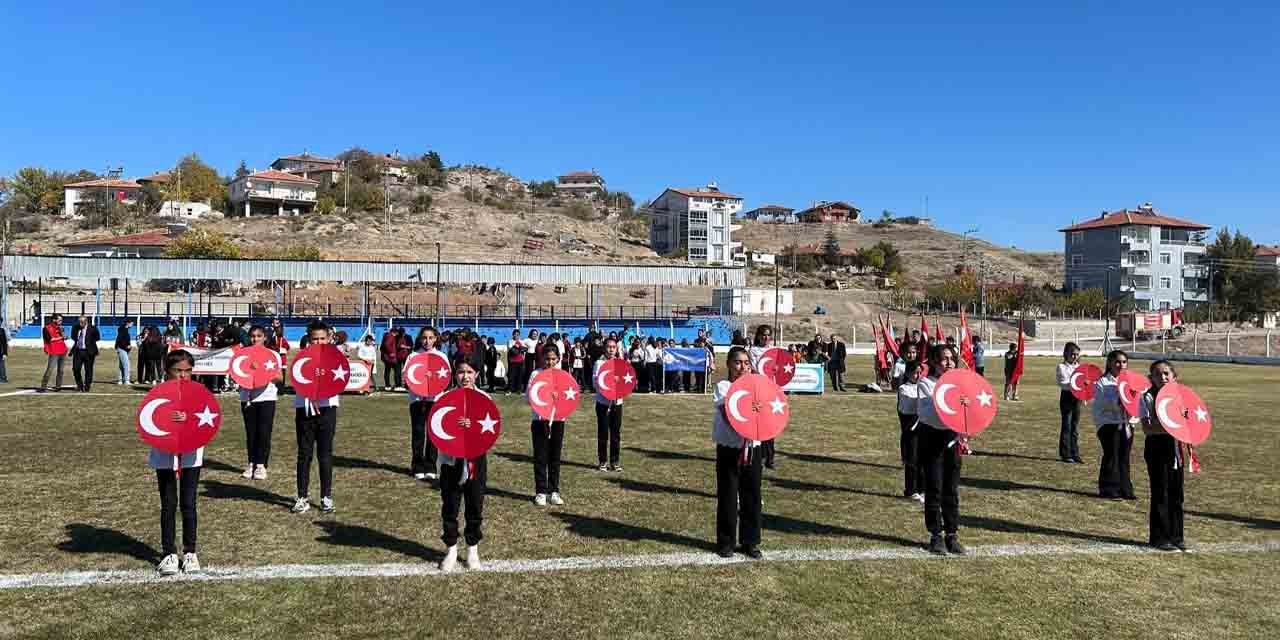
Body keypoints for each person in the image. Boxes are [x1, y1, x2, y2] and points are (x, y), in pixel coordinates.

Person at [151, 349, 204, 575]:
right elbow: (150, 421)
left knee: (189, 503)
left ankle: (190, 552)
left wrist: (189, 418)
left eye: (188, 371)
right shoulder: (157, 393)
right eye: (178, 371)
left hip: (191, 455)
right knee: (169, 504)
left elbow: (207, 422)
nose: (183, 375)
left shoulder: (199, 393)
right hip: (164, 455)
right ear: (167, 371)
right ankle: (169, 553)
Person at [437, 360, 491, 572]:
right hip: (450, 460)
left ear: (477, 374)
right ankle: (450, 549)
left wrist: (474, 426)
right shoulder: (444, 398)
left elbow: (490, 431)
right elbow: (436, 429)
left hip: (476, 460)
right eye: (460, 372)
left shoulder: (484, 398)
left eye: (469, 372)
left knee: (475, 504)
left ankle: (472, 549)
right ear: (454, 374)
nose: (465, 377)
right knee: (450, 505)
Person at [915, 344, 968, 555]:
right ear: (935, 362)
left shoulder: (960, 385)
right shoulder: (926, 384)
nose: (948, 363)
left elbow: (968, 412)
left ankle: (952, 534)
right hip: (932, 439)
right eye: (944, 359)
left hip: (952, 439)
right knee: (934, 488)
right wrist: (950, 402)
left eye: (951, 359)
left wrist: (966, 407)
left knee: (951, 489)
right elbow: (927, 415)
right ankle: (936, 535)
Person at [712, 346, 764, 559]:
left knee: (752, 495)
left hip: (754, 447)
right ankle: (726, 542)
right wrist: (746, 427)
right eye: (738, 362)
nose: (742, 367)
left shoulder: (759, 388)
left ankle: (750, 542)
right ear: (729, 365)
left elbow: (767, 412)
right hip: (730, 447)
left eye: (746, 363)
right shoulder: (723, 387)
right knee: (728, 495)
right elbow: (728, 415)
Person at [1140, 360, 1188, 552]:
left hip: (1175, 446)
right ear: (1151, 378)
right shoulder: (1146, 398)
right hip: (1157, 446)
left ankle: (1177, 536)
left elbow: (1188, 421)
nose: (1163, 377)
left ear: (1174, 376)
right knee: (1161, 492)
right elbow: (1147, 428)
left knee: (1177, 493)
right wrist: (1172, 423)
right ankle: (1159, 538)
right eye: (1158, 374)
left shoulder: (1180, 396)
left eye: (1166, 373)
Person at [292, 322, 340, 515]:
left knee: (325, 454)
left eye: (322, 338)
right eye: (315, 339)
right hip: (304, 409)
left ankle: (326, 497)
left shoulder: (335, 358)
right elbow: (297, 381)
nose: (319, 342)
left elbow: (340, 381)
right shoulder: (301, 358)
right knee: (304, 454)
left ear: (328, 339)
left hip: (328, 408)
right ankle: (302, 497)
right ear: (308, 339)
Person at [527, 344, 568, 506]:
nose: (550, 362)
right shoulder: (535, 374)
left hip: (558, 420)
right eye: (547, 359)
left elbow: (569, 397)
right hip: (539, 421)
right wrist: (544, 395)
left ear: (558, 359)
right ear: (541, 358)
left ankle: (554, 491)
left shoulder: (563, 375)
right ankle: (541, 491)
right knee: (540, 457)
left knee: (555, 457)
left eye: (553, 359)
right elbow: (528, 397)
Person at [1092, 350, 1135, 500]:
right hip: (1108, 424)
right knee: (1112, 455)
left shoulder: (1130, 381)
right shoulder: (1102, 382)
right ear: (1110, 363)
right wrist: (1120, 399)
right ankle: (1109, 488)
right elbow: (1103, 404)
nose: (1120, 365)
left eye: (1124, 362)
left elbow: (1136, 404)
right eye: (1117, 362)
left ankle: (1125, 488)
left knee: (1124, 456)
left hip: (1126, 424)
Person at [241, 325, 282, 481]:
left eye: (259, 336)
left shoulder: (273, 355)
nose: (255, 339)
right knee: (250, 433)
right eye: (252, 336)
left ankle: (261, 465)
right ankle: (251, 463)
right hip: (247, 398)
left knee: (264, 433)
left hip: (267, 398)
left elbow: (280, 378)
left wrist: (262, 373)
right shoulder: (243, 355)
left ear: (265, 337)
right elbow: (238, 374)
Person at [409, 327, 446, 481]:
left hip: (435, 400)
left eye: (431, 338)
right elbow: (408, 377)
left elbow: (446, 378)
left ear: (436, 339)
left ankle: (431, 466)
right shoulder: (413, 356)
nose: (427, 341)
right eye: (424, 338)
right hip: (417, 401)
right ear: (420, 339)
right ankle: (417, 465)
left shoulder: (441, 356)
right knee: (418, 433)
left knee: (433, 434)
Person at [896, 360, 927, 502]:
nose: (918, 375)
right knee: (912, 461)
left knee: (923, 461)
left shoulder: (923, 386)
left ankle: (922, 489)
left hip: (923, 429)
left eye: (920, 372)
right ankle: (910, 490)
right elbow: (908, 407)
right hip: (911, 430)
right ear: (908, 373)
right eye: (915, 372)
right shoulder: (903, 388)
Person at [594, 337, 626, 472]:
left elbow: (626, 381)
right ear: (604, 348)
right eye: (608, 347)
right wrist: (608, 389)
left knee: (615, 433)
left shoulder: (621, 362)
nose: (611, 349)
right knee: (603, 432)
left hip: (617, 403)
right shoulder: (599, 363)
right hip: (603, 402)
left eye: (613, 347)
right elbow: (595, 382)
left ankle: (615, 461)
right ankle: (602, 461)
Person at [748, 324, 777, 470]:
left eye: (768, 335)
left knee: (771, 425)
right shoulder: (753, 351)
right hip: (758, 390)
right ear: (758, 336)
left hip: (772, 391)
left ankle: (770, 457)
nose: (766, 338)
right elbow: (754, 369)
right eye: (763, 335)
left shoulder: (774, 350)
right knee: (758, 425)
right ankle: (759, 455)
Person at [1056, 342, 1084, 464]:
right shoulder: (1061, 367)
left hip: (1078, 398)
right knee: (1067, 426)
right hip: (1067, 396)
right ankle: (1065, 453)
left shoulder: (1079, 367)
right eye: (1072, 354)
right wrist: (1076, 383)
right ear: (1066, 354)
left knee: (1075, 427)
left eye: (1077, 355)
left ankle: (1075, 453)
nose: (1075, 357)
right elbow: (1063, 383)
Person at [70, 316, 101, 392]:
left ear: (86, 321)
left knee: (88, 370)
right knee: (76, 369)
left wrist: (89, 342)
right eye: (79, 322)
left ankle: (87, 386)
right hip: (78, 351)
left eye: (82, 322)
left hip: (89, 352)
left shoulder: (93, 328)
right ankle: (80, 385)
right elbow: (73, 337)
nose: (80, 324)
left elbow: (97, 337)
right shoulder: (75, 327)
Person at [507, 329, 528, 394]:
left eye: (518, 335)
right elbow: (513, 351)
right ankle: (510, 389)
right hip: (512, 362)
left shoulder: (522, 341)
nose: (516, 336)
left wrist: (518, 348)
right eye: (515, 334)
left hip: (520, 361)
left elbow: (525, 349)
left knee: (519, 376)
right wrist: (519, 348)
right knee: (511, 376)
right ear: (513, 335)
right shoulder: (510, 341)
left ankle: (518, 390)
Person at [115, 319, 134, 385]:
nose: (132, 325)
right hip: (122, 349)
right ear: (128, 323)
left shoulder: (124, 330)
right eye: (131, 323)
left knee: (121, 365)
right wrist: (127, 346)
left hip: (122, 349)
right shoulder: (123, 330)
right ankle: (126, 380)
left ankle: (120, 380)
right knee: (126, 364)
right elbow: (120, 340)